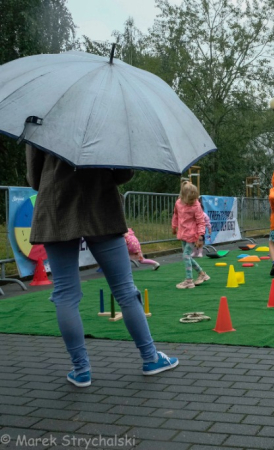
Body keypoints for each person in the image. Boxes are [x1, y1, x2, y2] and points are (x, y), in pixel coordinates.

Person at [26, 144, 178, 388]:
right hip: (101, 207)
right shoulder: (107, 113)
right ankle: (150, 358)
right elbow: (122, 174)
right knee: (125, 290)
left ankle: (81, 369)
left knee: (65, 293)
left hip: (56, 208)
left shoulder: (40, 115)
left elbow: (35, 178)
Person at [172, 181, 210, 288]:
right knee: (187, 256)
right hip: (183, 233)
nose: (193, 201)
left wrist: (200, 236)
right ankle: (202, 274)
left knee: (186, 255)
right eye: (191, 200)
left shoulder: (196, 206)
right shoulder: (178, 203)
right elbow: (175, 215)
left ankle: (189, 280)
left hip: (193, 235)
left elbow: (201, 221)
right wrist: (174, 226)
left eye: (195, 199)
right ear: (183, 196)